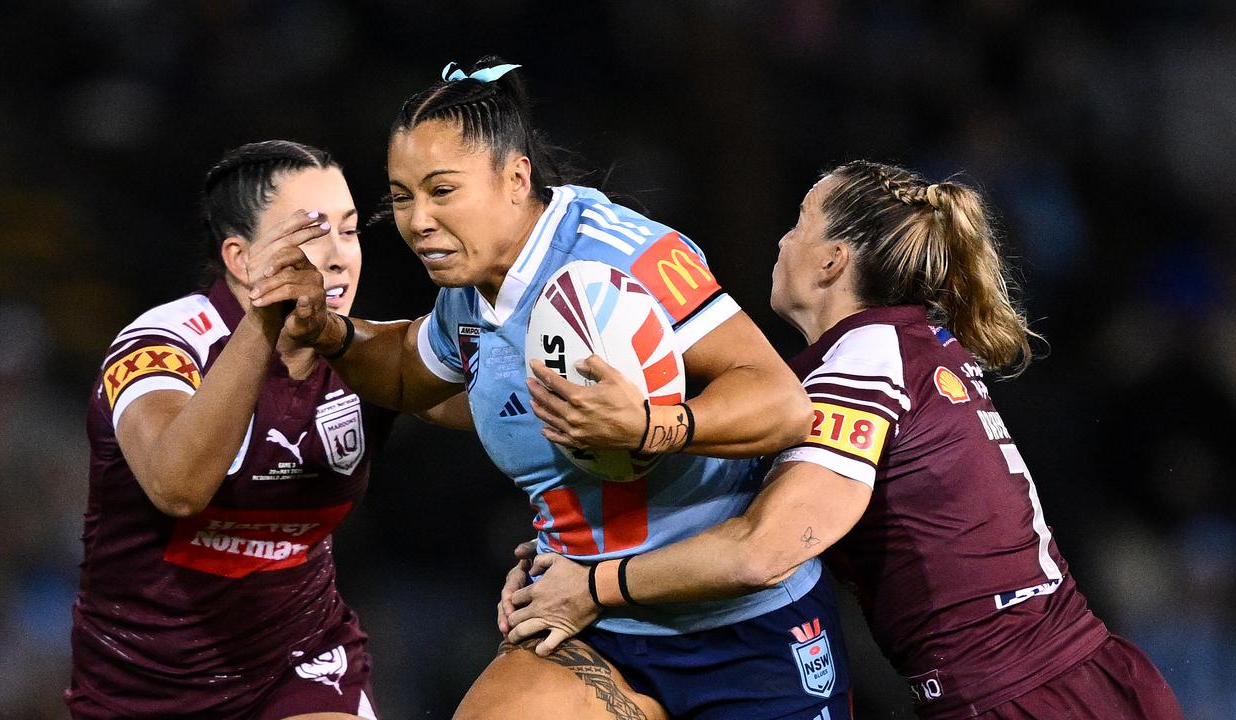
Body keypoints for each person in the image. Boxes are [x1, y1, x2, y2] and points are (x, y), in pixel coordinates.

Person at [251, 58, 853, 719]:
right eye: (400, 196)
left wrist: (654, 427)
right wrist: (331, 333)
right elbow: (404, 372)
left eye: (441, 191)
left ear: (515, 179)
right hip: (591, 624)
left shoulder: (625, 258)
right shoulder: (470, 292)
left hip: (744, 628)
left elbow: (782, 403)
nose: (418, 220)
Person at [501, 161, 1185, 719]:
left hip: (1027, 700)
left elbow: (764, 549)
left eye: (799, 225)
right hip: (1068, 682)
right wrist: (575, 543)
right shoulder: (907, 348)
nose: (780, 242)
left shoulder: (864, 359)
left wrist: (594, 585)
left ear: (832, 261)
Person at [68, 140, 390, 720]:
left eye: (349, 230)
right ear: (242, 261)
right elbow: (178, 486)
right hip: (139, 687)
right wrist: (267, 320)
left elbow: (507, 406)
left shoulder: (368, 354)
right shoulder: (162, 346)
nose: (340, 257)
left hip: (301, 664)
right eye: (312, 235)